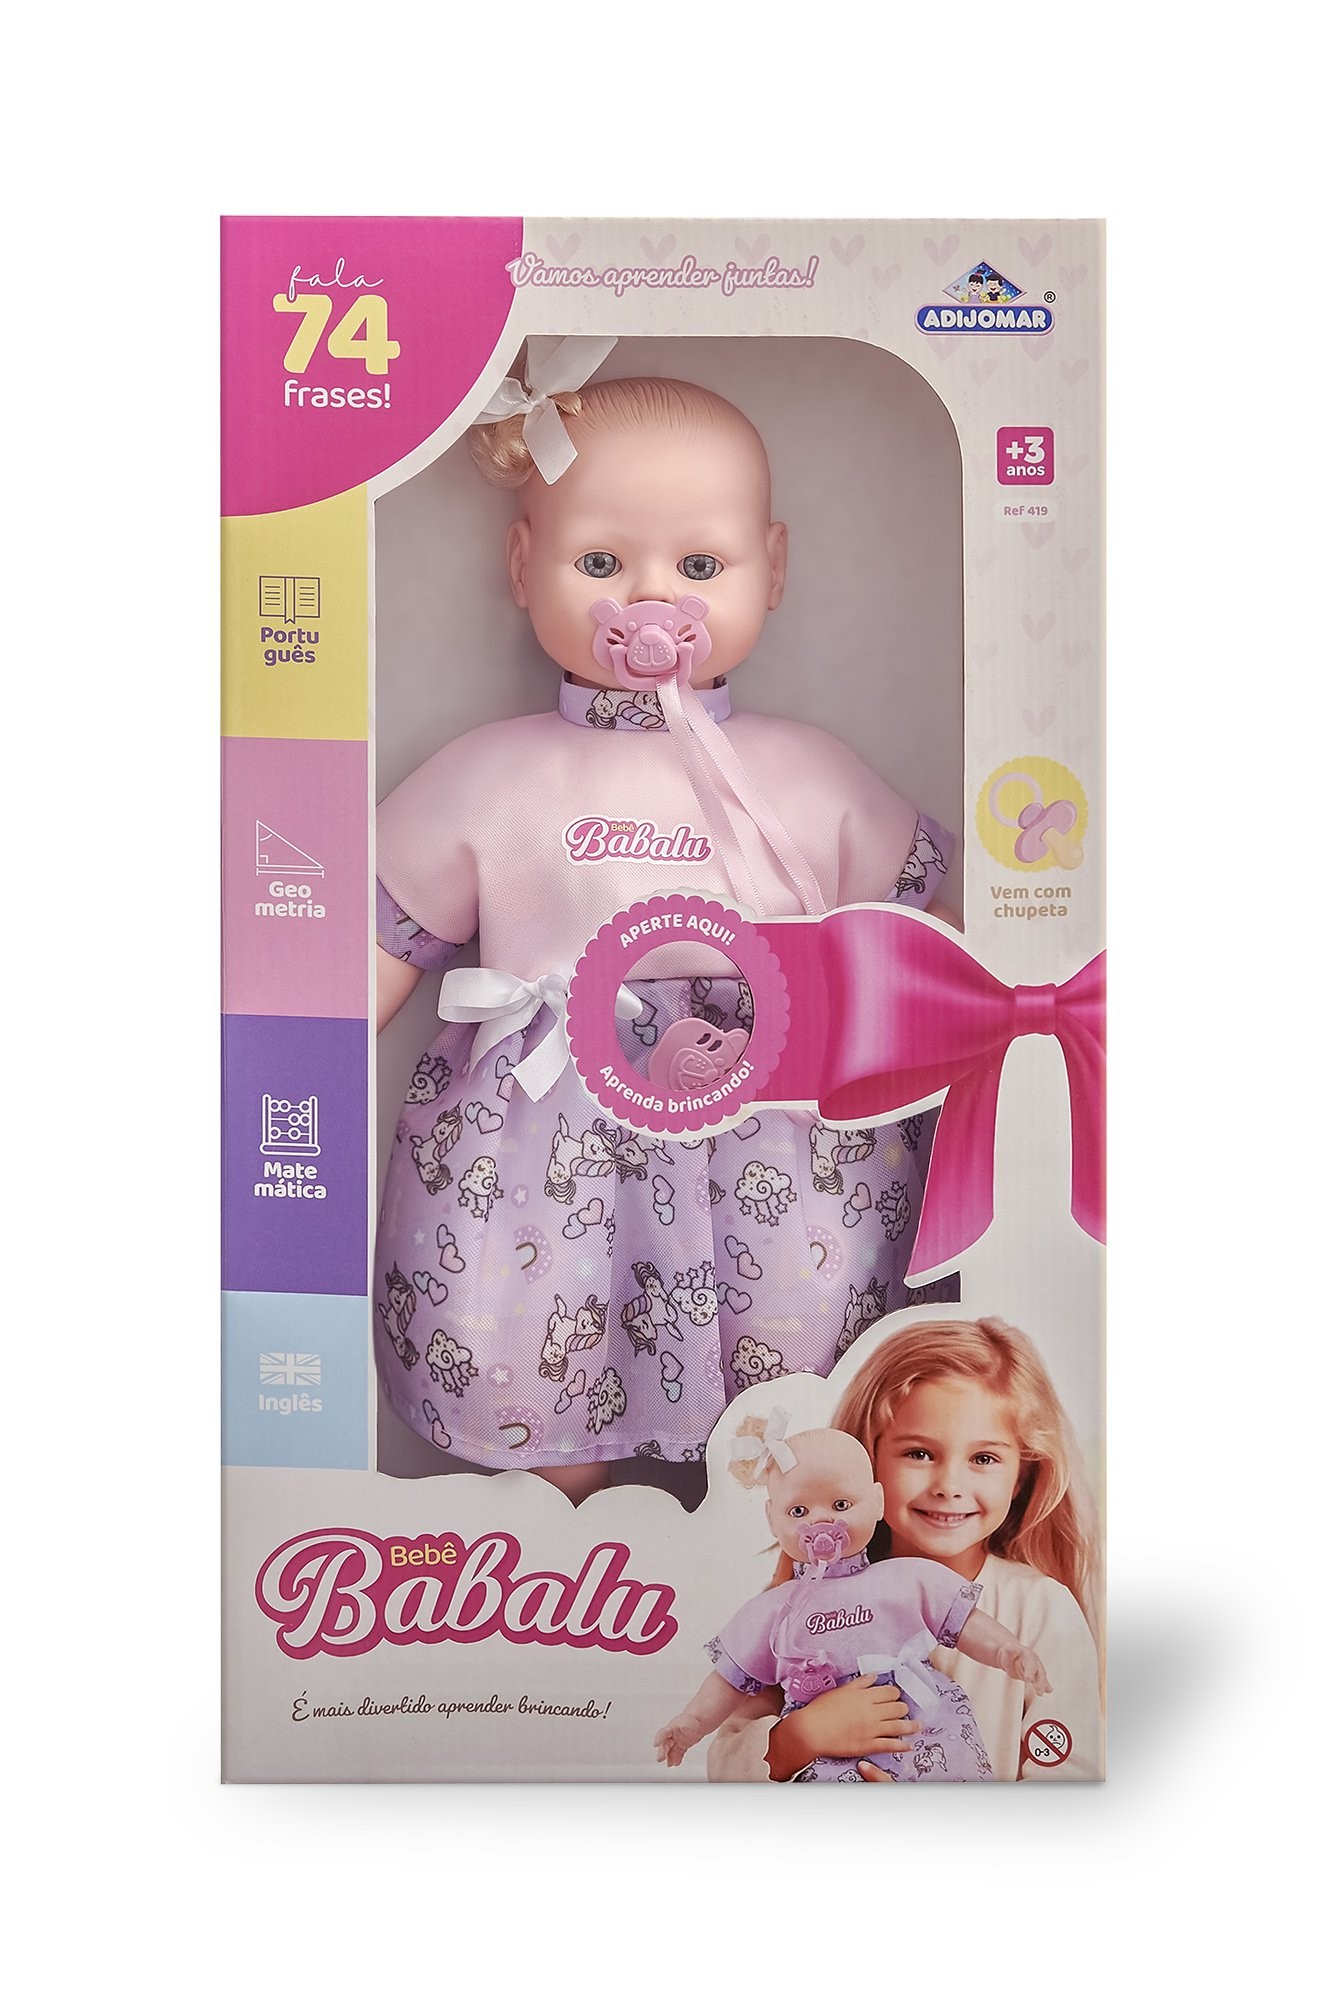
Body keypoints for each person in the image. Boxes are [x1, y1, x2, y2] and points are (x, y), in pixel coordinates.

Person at [373, 356, 957, 1498]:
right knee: (532, 1339)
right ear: (522, 565)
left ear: (771, 567)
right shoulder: (490, 776)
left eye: (699, 565)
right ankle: (557, 1537)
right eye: (601, 563)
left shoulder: (806, 774)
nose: (651, 600)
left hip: (774, 1120)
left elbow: (935, 934)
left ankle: (781, 1549)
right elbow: (382, 938)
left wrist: (1021, 1022)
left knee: (803, 1351)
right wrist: (280, 1066)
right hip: (544, 1135)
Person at [707, 1317, 1102, 1779]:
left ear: (1021, 1475)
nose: (949, 1485)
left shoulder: (1039, 1608)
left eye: (984, 1458)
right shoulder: (799, 1605)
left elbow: (1070, 1780)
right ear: (866, 1463)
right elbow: (725, 1765)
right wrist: (801, 1736)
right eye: (919, 1453)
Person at [656, 1416, 1049, 1780]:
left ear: (877, 1502)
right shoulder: (775, 1610)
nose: (820, 1521)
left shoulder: (905, 1577)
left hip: (924, 1729)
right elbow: (729, 1679)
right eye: (799, 1510)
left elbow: (963, 1622)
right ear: (772, 1519)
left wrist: (1007, 1651)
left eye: (840, 1505)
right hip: (830, 1750)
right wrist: (692, 1723)